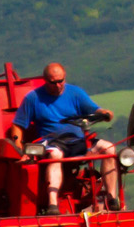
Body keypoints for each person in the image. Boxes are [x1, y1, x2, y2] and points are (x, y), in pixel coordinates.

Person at [10, 63, 120, 213]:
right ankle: (53, 204)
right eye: (53, 82)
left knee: (109, 148)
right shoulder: (33, 98)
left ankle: (111, 197)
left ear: (64, 77)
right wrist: (20, 150)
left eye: (60, 81)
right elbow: (17, 125)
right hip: (52, 142)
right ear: (45, 80)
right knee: (55, 155)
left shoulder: (75, 93)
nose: (58, 85)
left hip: (77, 141)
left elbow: (94, 109)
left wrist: (104, 113)